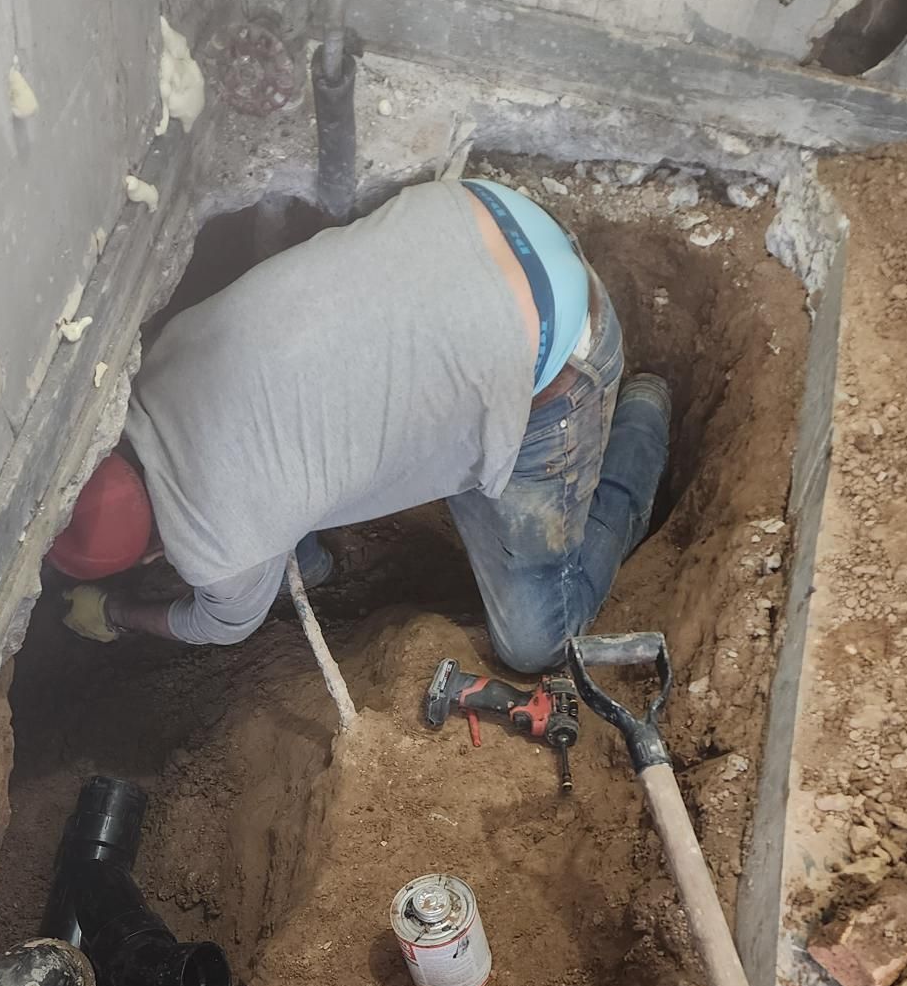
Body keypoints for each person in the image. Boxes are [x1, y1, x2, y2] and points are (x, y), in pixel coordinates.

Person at [50, 178, 670, 676]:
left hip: (554, 351)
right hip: (479, 213)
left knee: (537, 643)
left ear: (158, 550)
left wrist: (118, 611)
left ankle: (643, 413)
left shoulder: (219, 552)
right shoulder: (153, 363)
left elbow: (220, 625)